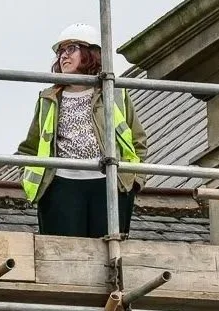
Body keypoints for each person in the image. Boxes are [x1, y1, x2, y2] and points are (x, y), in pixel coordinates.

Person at [17, 23, 147, 238]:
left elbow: (137, 141)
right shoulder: (48, 99)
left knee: (109, 257)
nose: (63, 57)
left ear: (90, 53)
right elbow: (29, 148)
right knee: (63, 255)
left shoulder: (114, 94)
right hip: (61, 186)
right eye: (60, 52)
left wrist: (134, 181)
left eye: (71, 49)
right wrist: (33, 183)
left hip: (108, 185)